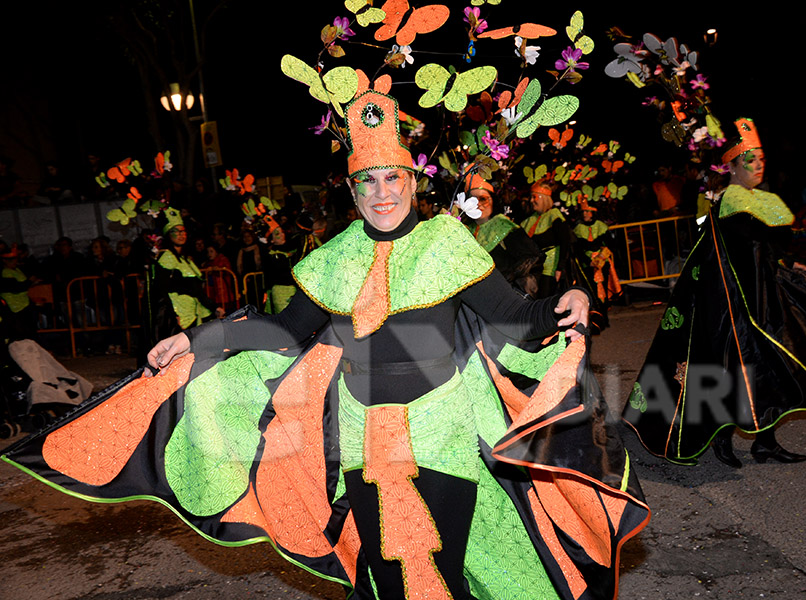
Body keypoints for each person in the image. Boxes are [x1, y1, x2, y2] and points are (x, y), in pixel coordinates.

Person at [3, 87, 649, 600]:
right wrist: (194, 337)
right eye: (367, 182)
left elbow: (518, 315)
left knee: (442, 567)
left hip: (445, 439)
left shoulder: (448, 242)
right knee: (385, 576)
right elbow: (280, 332)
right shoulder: (333, 259)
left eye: (392, 178)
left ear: (411, 179)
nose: (382, 193)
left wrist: (570, 302)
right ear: (350, 189)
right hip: (362, 448)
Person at [624, 118, 806, 468]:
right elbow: (733, 254)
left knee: (772, 367)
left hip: (764, 296)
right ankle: (721, 437)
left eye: (761, 159)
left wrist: (788, 264)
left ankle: (765, 442)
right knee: (732, 370)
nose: (758, 165)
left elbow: (766, 248)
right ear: (733, 168)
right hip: (733, 304)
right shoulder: (729, 201)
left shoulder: (762, 200)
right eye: (750, 160)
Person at [464, 171, 542, 295]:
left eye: (483, 199)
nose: (478, 204)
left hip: (505, 296)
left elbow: (531, 256)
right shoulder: (465, 230)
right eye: (472, 200)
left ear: (493, 201)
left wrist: (506, 278)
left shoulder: (503, 225)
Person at [150, 209, 223, 339]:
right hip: (179, 316)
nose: (181, 234)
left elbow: (196, 290)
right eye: (176, 231)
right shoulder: (166, 257)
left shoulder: (185, 259)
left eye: (182, 231)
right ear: (168, 234)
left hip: (193, 313)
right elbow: (162, 290)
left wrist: (214, 307)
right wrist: (172, 316)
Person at [520, 181, 573, 298]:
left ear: (544, 198)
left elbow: (565, 242)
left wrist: (560, 268)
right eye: (531, 197)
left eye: (534, 197)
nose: (531, 200)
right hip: (534, 267)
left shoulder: (554, 215)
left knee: (546, 297)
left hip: (551, 266)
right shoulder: (529, 220)